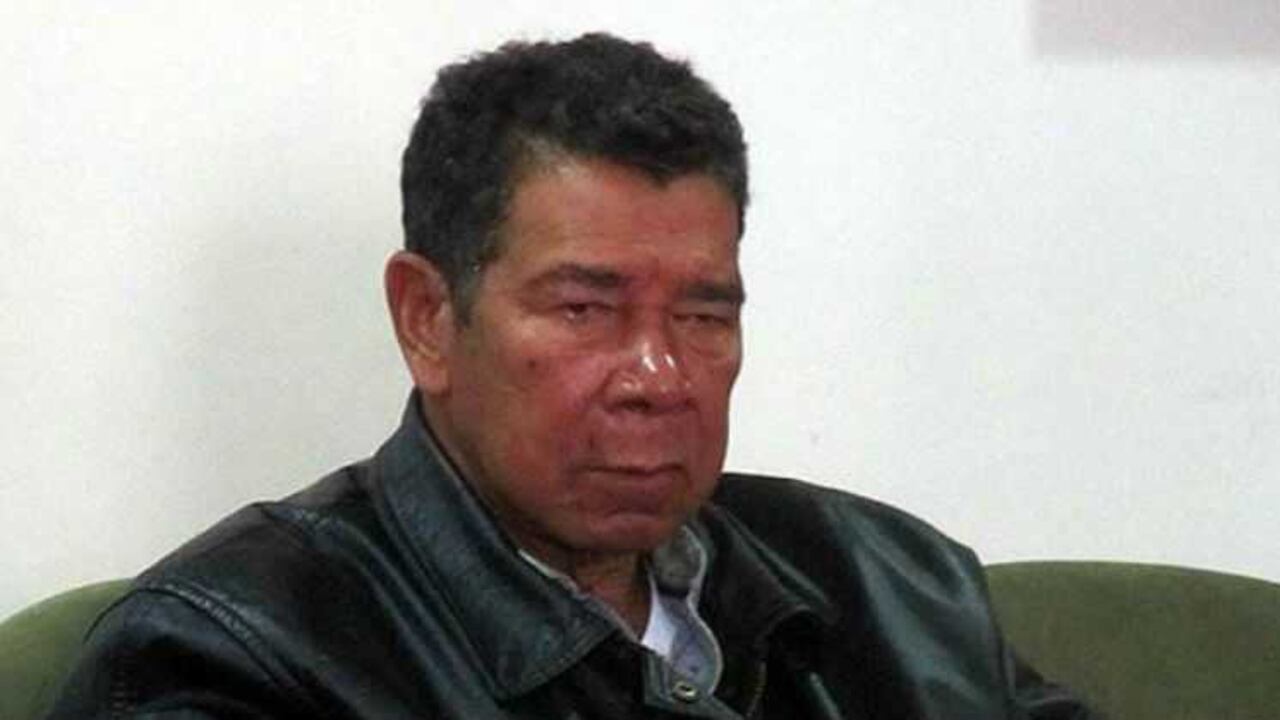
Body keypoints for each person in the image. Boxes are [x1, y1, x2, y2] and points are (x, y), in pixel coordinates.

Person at [50, 33, 1096, 719]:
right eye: (585, 310)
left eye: (703, 315)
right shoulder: (233, 656)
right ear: (427, 319)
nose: (658, 376)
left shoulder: (896, 589)